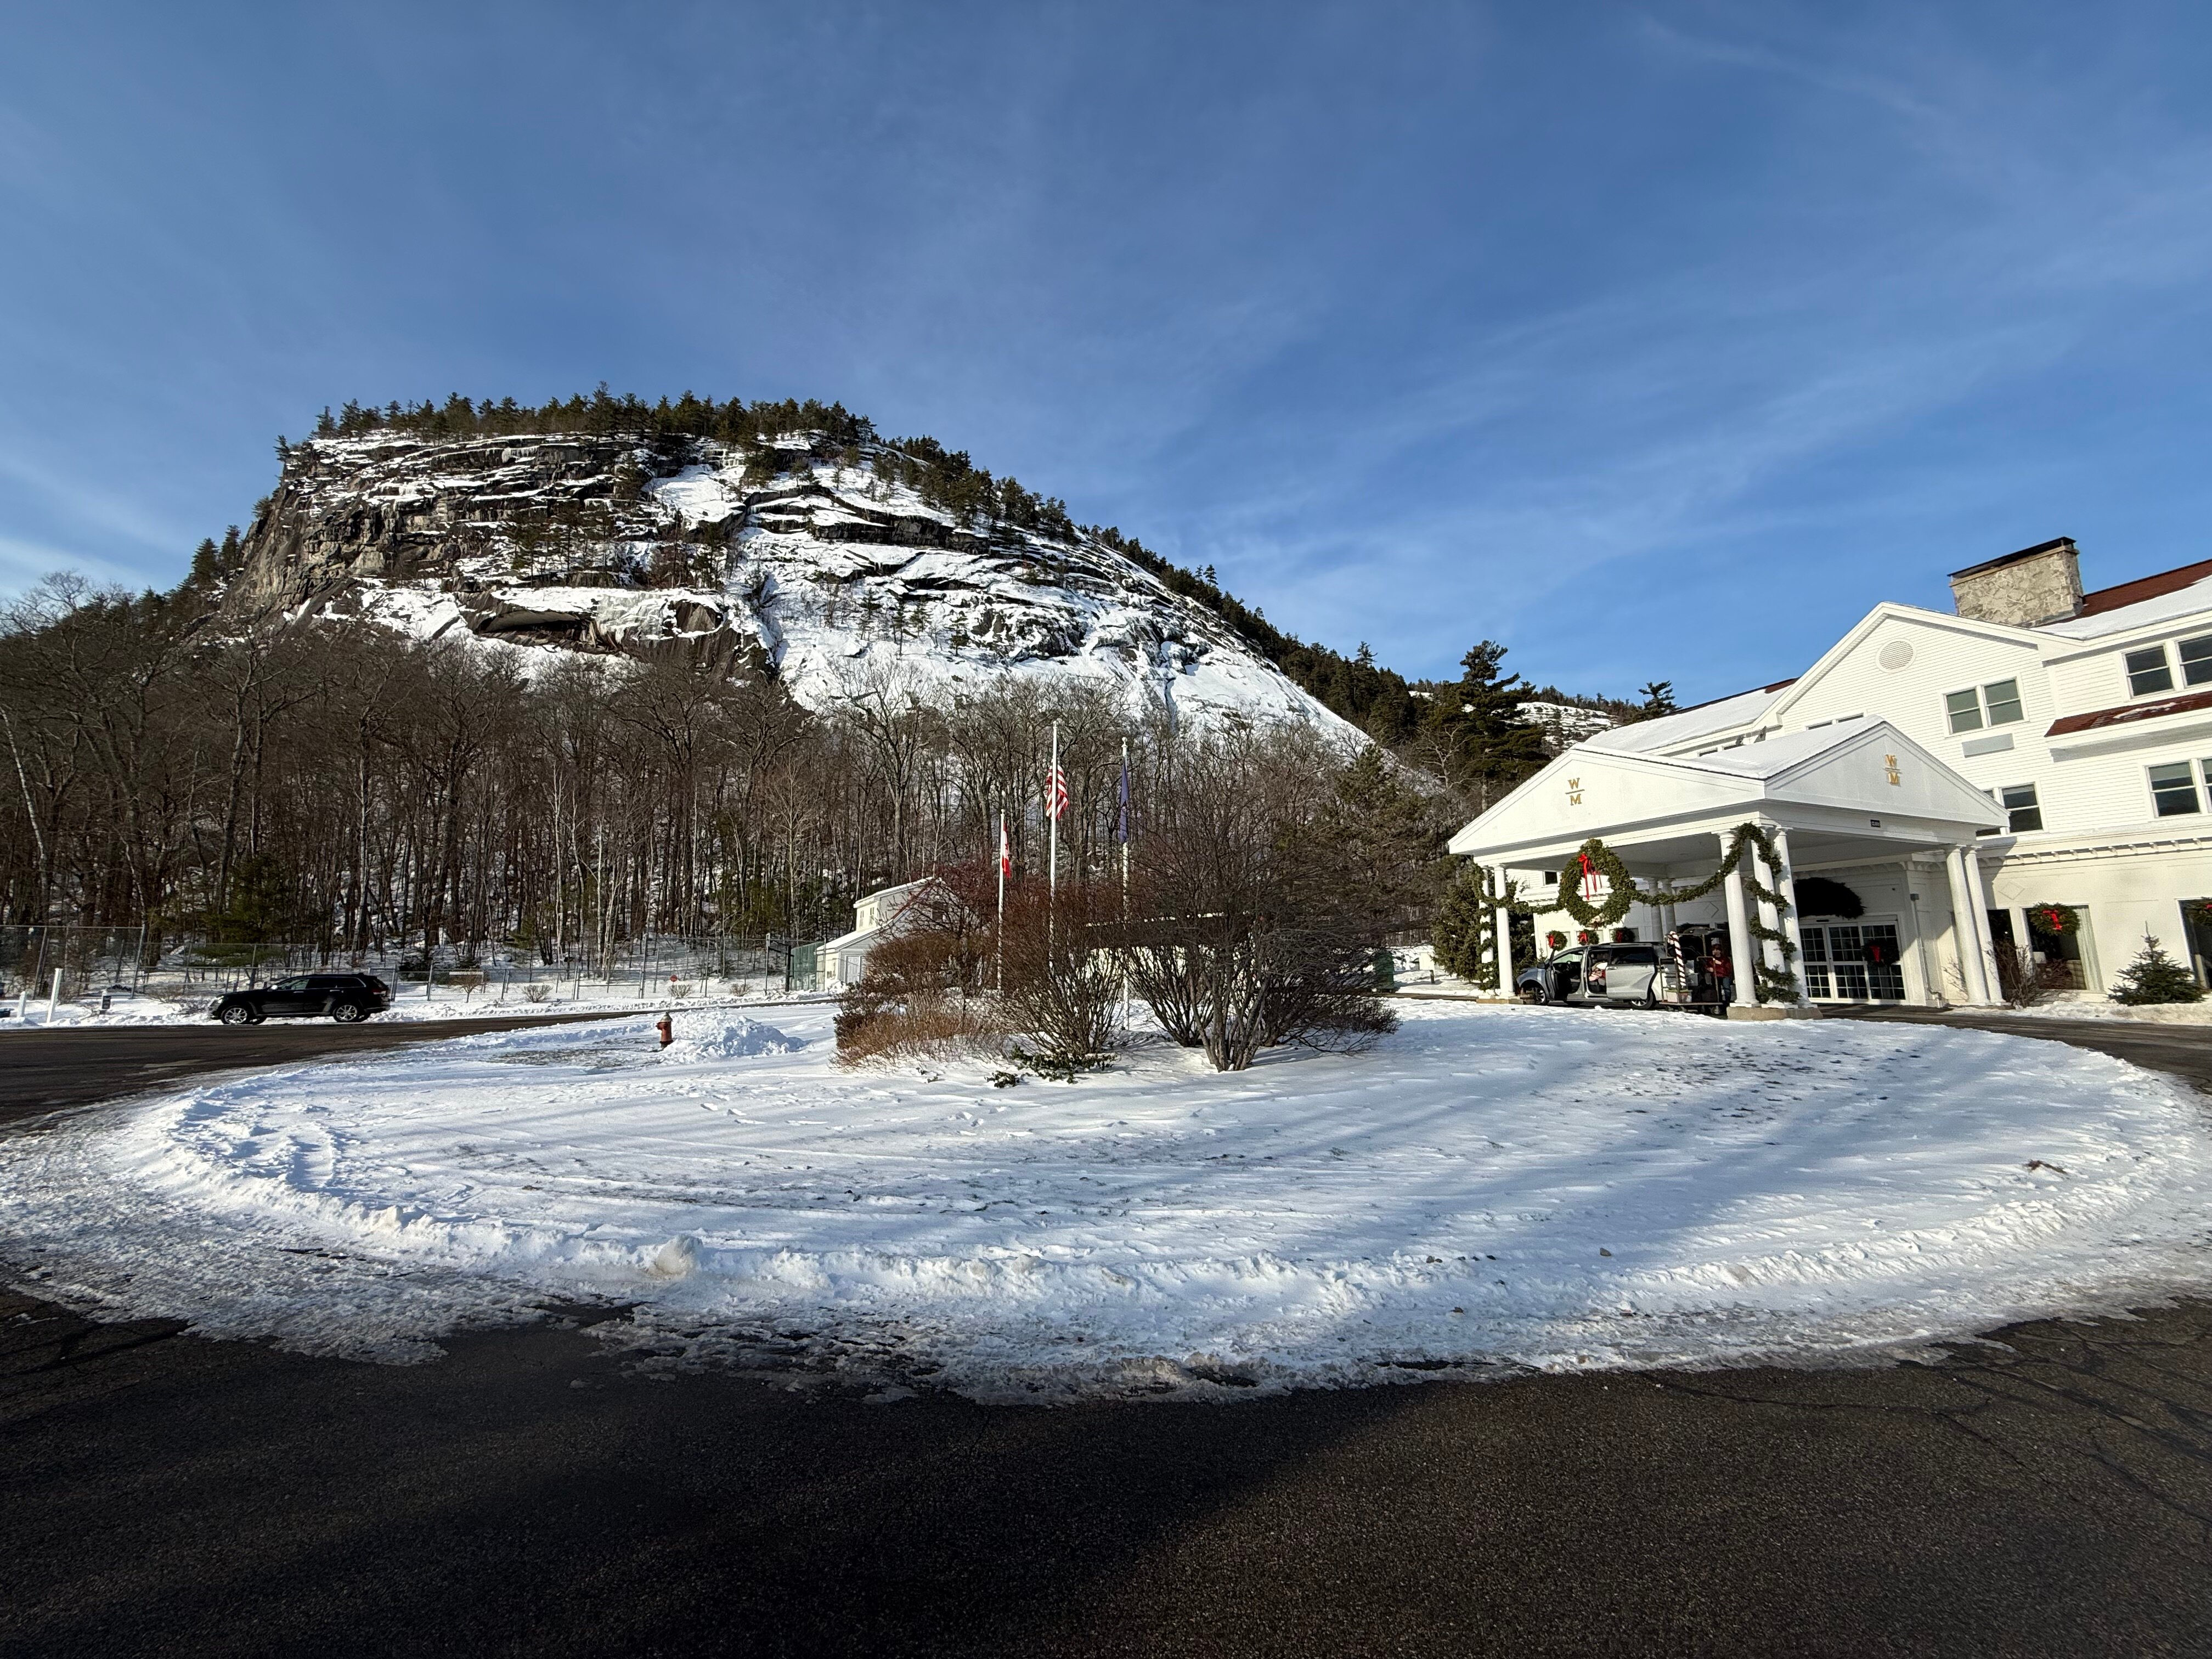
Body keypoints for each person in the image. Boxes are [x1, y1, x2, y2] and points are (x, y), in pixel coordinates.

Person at [1706, 939, 1735, 1011]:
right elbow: (1707, 966)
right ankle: (1720, 1002)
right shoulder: (1711, 959)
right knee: (1717, 990)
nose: (1714, 951)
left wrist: (1716, 963)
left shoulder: (1725, 959)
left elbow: (1726, 966)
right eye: (1713, 950)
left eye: (1716, 950)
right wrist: (1708, 969)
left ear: (1719, 951)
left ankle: (1728, 1002)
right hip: (1716, 976)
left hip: (1724, 975)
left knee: (1727, 989)